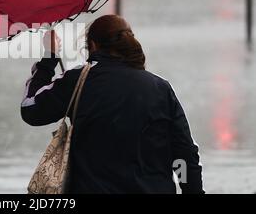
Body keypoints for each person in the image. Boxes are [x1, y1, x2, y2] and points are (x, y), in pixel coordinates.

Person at [21, 15, 204, 194]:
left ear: (92, 45)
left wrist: (49, 57)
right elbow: (184, 153)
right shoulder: (160, 88)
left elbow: (31, 110)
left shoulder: (77, 81)